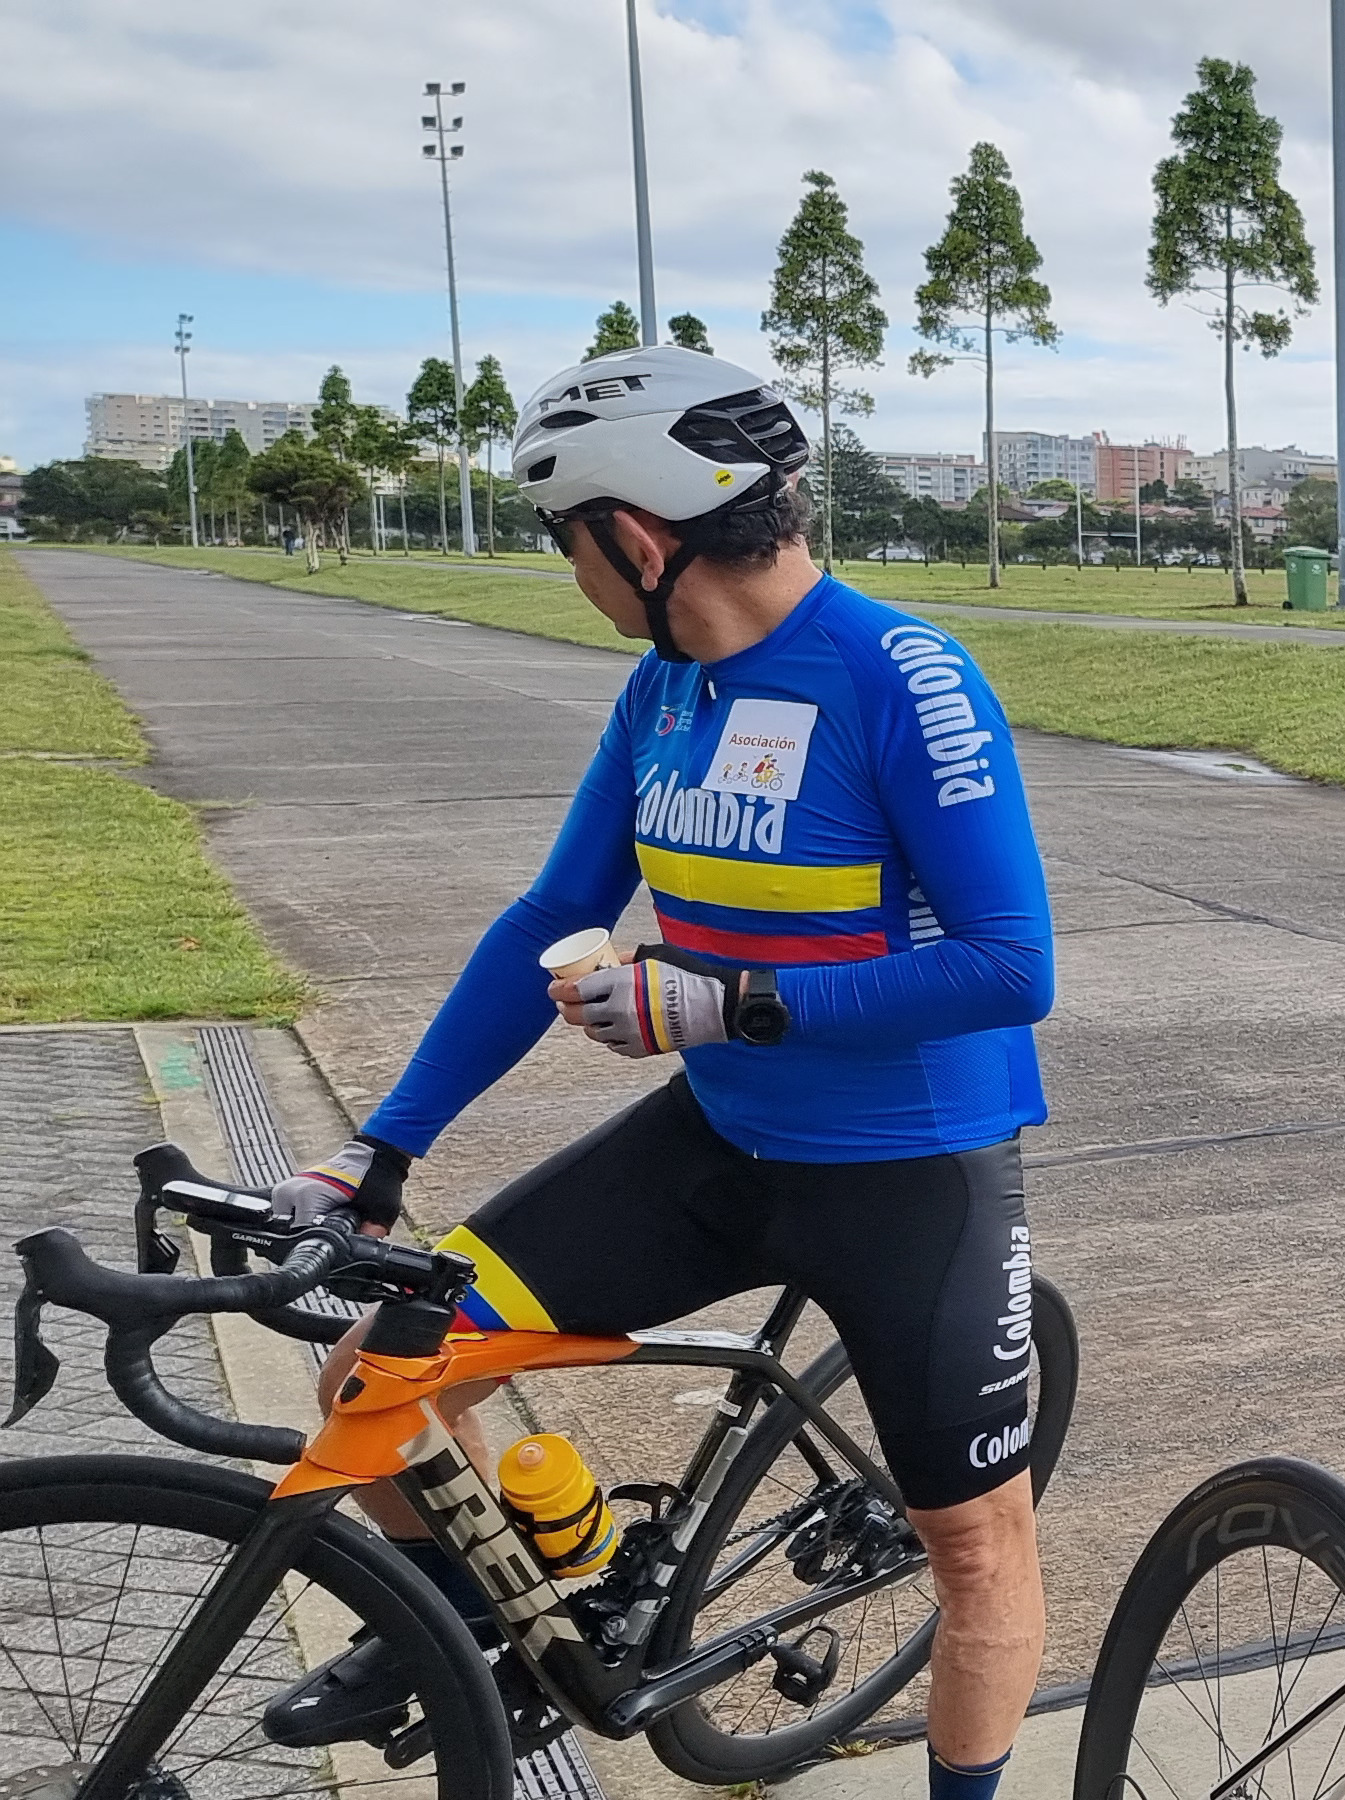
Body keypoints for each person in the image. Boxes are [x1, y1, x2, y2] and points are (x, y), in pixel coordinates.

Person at [259, 345, 1059, 1800]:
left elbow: (1013, 970)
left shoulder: (903, 676)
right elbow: (543, 921)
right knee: (375, 1373)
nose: (572, 574)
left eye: (567, 543)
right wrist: (379, 1149)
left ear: (637, 536)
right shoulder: (662, 692)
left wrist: (717, 1000)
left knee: (975, 1544)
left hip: (912, 1169)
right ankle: (467, 1618)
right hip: (719, 1146)